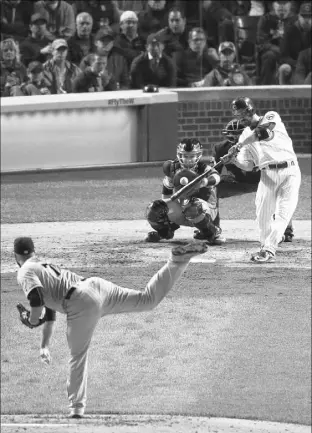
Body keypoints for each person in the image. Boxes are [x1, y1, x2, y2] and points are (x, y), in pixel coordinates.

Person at [14, 236, 208, 418]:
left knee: (78, 355)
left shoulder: (24, 271)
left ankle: (76, 408)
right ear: (33, 252)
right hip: (96, 286)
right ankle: (177, 261)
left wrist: (31, 320)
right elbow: (49, 311)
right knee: (147, 300)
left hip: (80, 303)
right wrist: (44, 345)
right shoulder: (42, 265)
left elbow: (37, 299)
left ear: (16, 256)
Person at [226, 96, 301, 263]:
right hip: (267, 175)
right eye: (238, 116)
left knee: (283, 213)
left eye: (243, 114)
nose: (241, 118)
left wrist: (238, 146)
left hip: (289, 171)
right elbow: (248, 165)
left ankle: (269, 249)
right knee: (262, 216)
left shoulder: (271, 116)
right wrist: (234, 160)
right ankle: (267, 243)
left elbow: (263, 133)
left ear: (250, 110)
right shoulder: (244, 135)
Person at [214, 118, 295, 242]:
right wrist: (210, 179)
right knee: (213, 188)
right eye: (232, 136)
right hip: (238, 181)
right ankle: (212, 229)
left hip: (264, 180)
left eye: (240, 135)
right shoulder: (221, 148)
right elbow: (214, 173)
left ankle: (286, 229)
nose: (236, 139)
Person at [145, 138, 225, 245]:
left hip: (206, 209)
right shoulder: (172, 169)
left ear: (198, 156)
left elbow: (217, 177)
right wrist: (163, 209)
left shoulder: (204, 169)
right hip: (181, 206)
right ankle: (165, 233)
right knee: (154, 209)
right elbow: (166, 193)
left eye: (192, 156)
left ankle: (211, 232)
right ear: (179, 155)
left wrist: (204, 182)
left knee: (193, 208)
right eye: (185, 156)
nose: (188, 160)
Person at [257, 0, 296, 85]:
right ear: (273, 5)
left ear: (290, 5)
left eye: (285, 3)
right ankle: (265, 89)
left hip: (290, 53)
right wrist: (278, 50)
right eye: (279, 3)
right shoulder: (265, 19)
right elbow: (261, 42)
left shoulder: (295, 20)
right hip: (272, 51)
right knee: (268, 56)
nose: (282, 6)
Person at [278, 2, 311, 85]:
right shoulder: (289, 30)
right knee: (285, 68)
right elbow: (283, 56)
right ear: (299, 16)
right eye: (304, 16)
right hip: (294, 66)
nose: (307, 20)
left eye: (310, 16)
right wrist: (299, 64)